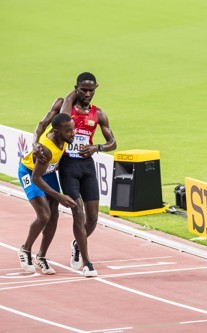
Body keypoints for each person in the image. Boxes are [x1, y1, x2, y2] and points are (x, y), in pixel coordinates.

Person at [33, 72, 117, 277]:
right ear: (76, 89)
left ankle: (78, 244)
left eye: (91, 90)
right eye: (83, 89)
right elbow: (44, 122)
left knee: (93, 218)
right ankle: (88, 263)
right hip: (68, 166)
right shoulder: (66, 108)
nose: (88, 94)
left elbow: (113, 143)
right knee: (77, 212)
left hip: (87, 166)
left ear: (96, 89)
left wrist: (96, 147)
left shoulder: (99, 114)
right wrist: (35, 142)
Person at [18, 112, 77, 274]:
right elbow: (36, 179)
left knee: (54, 215)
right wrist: (60, 196)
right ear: (57, 132)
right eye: (68, 131)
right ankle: (25, 249)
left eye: (73, 129)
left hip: (48, 172)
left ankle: (41, 257)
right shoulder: (45, 150)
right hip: (30, 173)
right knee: (44, 214)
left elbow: (43, 122)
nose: (73, 134)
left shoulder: (63, 134)